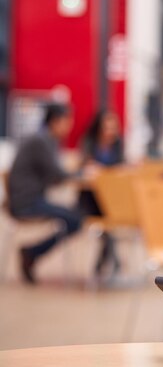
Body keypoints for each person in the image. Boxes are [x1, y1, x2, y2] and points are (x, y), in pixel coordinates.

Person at [7, 103, 83, 284]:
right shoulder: (41, 140)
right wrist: (80, 173)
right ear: (55, 121)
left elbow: (53, 176)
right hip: (26, 202)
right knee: (74, 219)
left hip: (31, 198)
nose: (69, 126)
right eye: (66, 121)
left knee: (74, 216)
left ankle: (31, 253)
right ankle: (31, 253)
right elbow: (57, 175)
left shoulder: (45, 140)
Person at [77, 110, 124, 277]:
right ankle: (114, 261)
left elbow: (121, 169)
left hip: (111, 199)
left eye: (113, 128)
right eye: (107, 128)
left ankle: (104, 265)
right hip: (90, 199)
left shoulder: (118, 145)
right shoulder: (89, 143)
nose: (110, 132)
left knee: (108, 220)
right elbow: (84, 168)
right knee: (106, 222)